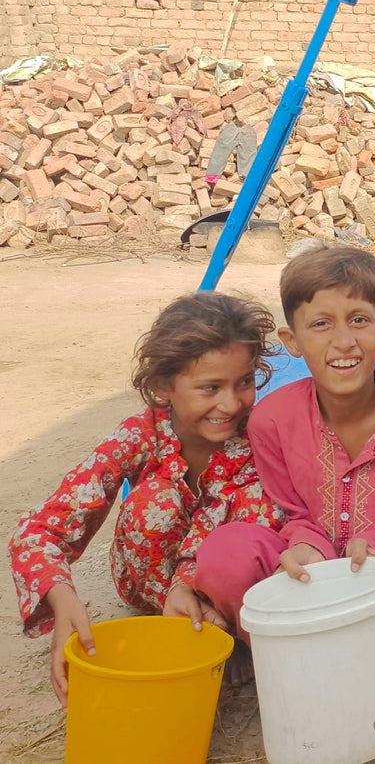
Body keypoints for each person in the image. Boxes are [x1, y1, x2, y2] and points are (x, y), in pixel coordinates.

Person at [195, 245, 375, 730]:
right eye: (321, 324)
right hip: (303, 579)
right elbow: (289, 510)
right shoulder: (272, 419)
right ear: (292, 340)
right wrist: (306, 547)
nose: (343, 341)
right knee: (224, 552)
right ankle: (272, 649)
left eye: (359, 321)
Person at [9, 292, 284, 705]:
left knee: (263, 500)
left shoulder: (256, 436)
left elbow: (240, 525)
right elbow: (39, 531)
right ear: (163, 386)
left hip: (223, 577)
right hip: (147, 582)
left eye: (244, 382)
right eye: (210, 387)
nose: (231, 404)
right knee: (155, 499)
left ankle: (221, 626)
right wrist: (62, 595)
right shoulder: (139, 435)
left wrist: (190, 581)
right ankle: (172, 616)